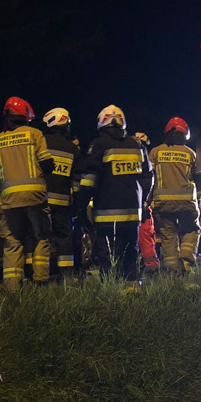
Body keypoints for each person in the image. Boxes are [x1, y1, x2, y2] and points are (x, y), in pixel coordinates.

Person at [78, 105, 152, 284]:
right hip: (133, 213)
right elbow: (148, 177)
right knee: (131, 252)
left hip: (107, 212)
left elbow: (89, 179)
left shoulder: (99, 145)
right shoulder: (137, 145)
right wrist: (141, 203)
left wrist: (80, 204)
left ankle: (111, 291)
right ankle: (133, 288)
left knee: (108, 254)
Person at [0, 97, 54, 291]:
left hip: (9, 200)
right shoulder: (35, 134)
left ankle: (13, 288)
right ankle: (41, 282)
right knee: (41, 237)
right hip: (35, 198)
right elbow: (47, 164)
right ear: (25, 116)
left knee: (12, 242)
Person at [149, 117, 201, 275]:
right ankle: (186, 260)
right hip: (187, 203)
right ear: (185, 134)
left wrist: (148, 200)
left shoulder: (155, 152)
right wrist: (198, 200)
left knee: (168, 235)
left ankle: (172, 270)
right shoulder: (191, 154)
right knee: (192, 229)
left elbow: (148, 178)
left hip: (162, 204)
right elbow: (200, 183)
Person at [41, 107, 81, 280]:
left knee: (39, 237)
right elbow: (77, 181)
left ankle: (37, 275)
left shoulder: (40, 144)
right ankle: (66, 275)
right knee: (64, 238)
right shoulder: (72, 149)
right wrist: (77, 202)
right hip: (63, 203)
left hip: (41, 200)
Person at [133, 132, 159, 273]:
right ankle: (151, 268)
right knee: (146, 239)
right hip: (142, 208)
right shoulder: (146, 164)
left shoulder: (136, 162)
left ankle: (144, 267)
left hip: (135, 207)